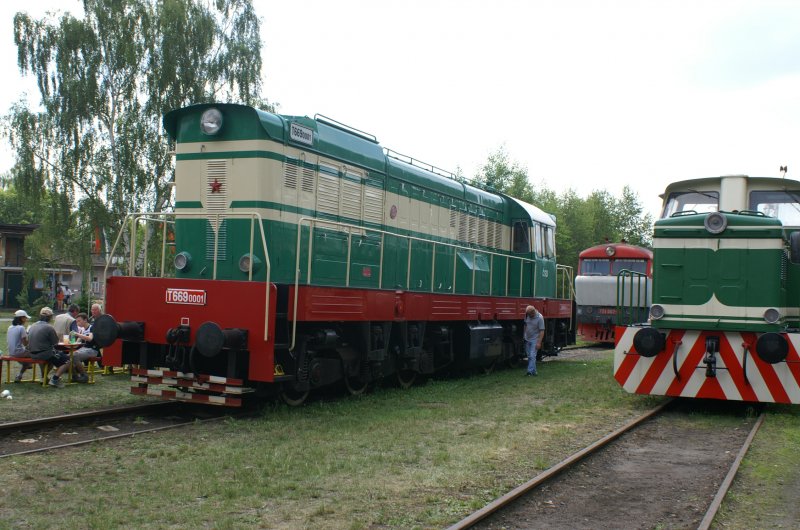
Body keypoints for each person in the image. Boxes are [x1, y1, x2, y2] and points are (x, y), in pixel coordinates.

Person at [28, 307, 88, 387]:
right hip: (44, 353)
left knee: (53, 360)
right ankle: (55, 379)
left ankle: (44, 378)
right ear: (50, 317)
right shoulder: (49, 327)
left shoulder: (32, 325)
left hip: (32, 353)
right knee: (68, 361)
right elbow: (55, 343)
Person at [7, 309, 31, 382]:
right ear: (22, 318)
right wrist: (28, 335)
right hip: (19, 352)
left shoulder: (10, 327)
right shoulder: (21, 328)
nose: (26, 319)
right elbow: (25, 343)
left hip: (11, 352)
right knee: (36, 353)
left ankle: (20, 375)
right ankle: (43, 376)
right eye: (25, 318)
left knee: (26, 362)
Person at [523, 305, 545, 377]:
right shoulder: (527, 315)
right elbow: (525, 324)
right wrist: (524, 335)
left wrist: (539, 342)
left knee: (532, 355)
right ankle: (534, 372)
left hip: (535, 339)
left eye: (529, 314)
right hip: (527, 338)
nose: (528, 316)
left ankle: (529, 372)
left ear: (533, 312)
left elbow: (542, 331)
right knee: (529, 356)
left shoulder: (540, 318)